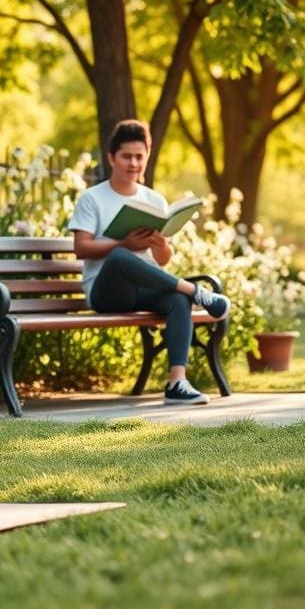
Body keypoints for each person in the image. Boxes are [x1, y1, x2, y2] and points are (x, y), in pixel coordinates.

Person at [68, 119, 231, 405]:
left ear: (147, 158)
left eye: (139, 157)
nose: (133, 163)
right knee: (120, 256)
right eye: (126, 156)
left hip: (143, 287)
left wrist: (161, 245)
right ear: (111, 158)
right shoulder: (93, 198)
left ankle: (177, 383)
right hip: (106, 292)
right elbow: (80, 248)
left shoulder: (153, 199)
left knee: (176, 300)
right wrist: (123, 244)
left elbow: (162, 260)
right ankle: (195, 291)